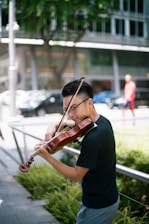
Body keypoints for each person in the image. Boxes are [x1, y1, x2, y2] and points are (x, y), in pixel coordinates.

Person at [34, 79, 120, 224]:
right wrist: (54, 125)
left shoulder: (94, 138)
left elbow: (76, 175)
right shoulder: (101, 121)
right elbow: (72, 124)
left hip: (100, 205)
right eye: (66, 110)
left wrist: (47, 156)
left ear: (90, 103)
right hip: (103, 197)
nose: (70, 114)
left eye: (74, 108)